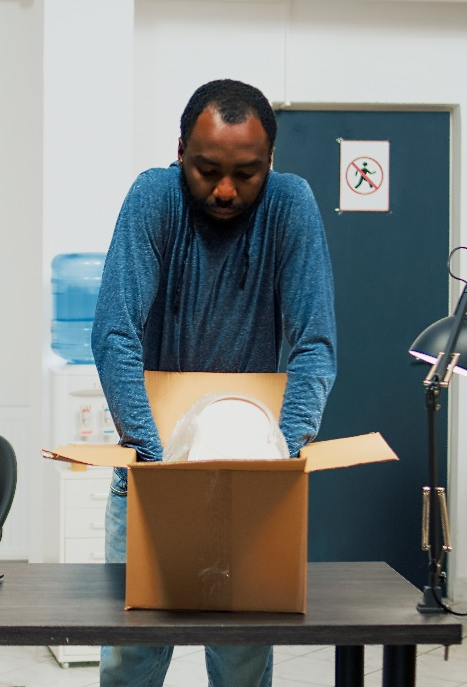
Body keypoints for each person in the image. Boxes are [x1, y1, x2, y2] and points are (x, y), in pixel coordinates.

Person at [91, 79, 337, 687]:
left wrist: (276, 460)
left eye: (246, 174)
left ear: (270, 163)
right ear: (179, 151)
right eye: (207, 170)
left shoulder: (291, 205)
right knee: (133, 658)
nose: (225, 190)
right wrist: (155, 461)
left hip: (249, 485)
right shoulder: (153, 199)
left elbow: (315, 345)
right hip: (149, 479)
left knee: (243, 660)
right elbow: (113, 335)